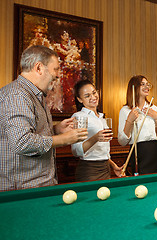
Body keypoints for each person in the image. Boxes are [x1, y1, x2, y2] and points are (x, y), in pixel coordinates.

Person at [0, 45, 88, 191]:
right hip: (22, 191)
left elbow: (32, 133)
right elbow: (22, 142)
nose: (59, 74)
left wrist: (56, 129)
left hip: (38, 187)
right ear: (39, 68)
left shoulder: (36, 95)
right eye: (56, 69)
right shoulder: (17, 96)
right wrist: (64, 139)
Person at [71, 80, 123, 181]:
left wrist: (113, 166)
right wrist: (96, 137)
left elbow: (101, 151)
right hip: (89, 170)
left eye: (94, 93)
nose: (93, 97)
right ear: (79, 99)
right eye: (87, 96)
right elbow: (76, 151)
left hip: (105, 168)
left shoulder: (102, 118)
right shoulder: (79, 117)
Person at [118, 75, 157, 174]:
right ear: (134, 87)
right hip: (138, 152)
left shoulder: (154, 108)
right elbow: (122, 141)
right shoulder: (125, 110)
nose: (146, 87)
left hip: (155, 149)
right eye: (142, 84)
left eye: (147, 84)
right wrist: (129, 121)